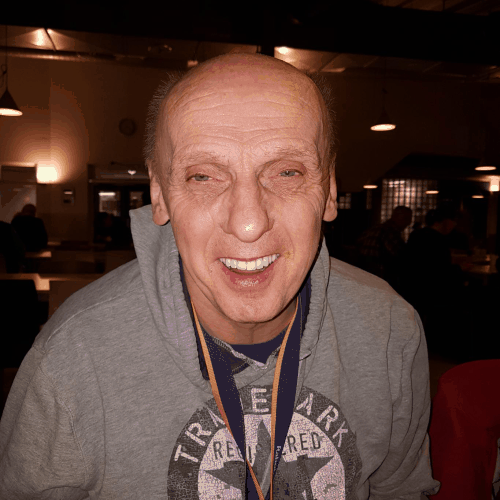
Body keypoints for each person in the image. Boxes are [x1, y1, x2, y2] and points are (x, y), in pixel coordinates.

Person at [0, 54, 440, 499]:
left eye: (287, 172)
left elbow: (400, 490)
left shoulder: (390, 328)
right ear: (159, 194)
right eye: (203, 177)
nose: (248, 224)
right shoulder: (72, 357)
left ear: (328, 190)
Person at [400, 206, 465, 357]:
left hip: (410, 287)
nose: (454, 225)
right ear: (444, 221)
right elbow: (441, 271)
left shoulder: (417, 234)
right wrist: (459, 269)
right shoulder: (438, 239)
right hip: (431, 291)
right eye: (453, 221)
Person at [355, 205, 413, 291]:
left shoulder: (374, 228)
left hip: (363, 274)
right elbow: (401, 254)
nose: (409, 222)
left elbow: (358, 244)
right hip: (380, 276)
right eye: (407, 218)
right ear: (396, 217)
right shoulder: (390, 232)